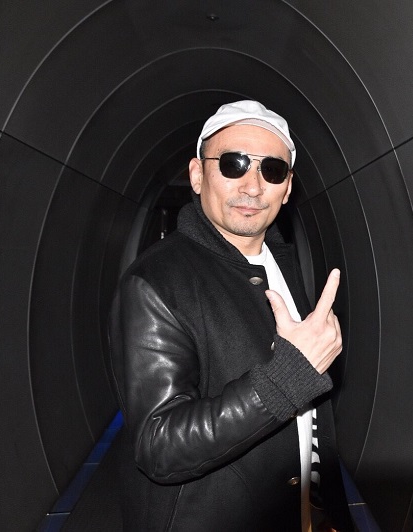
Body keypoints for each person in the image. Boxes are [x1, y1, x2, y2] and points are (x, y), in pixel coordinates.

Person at [107, 100, 352, 531]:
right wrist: (288, 377)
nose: (253, 186)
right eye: (233, 164)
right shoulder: (156, 282)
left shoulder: (281, 262)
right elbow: (159, 445)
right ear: (197, 175)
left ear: (288, 188)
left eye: (272, 170)